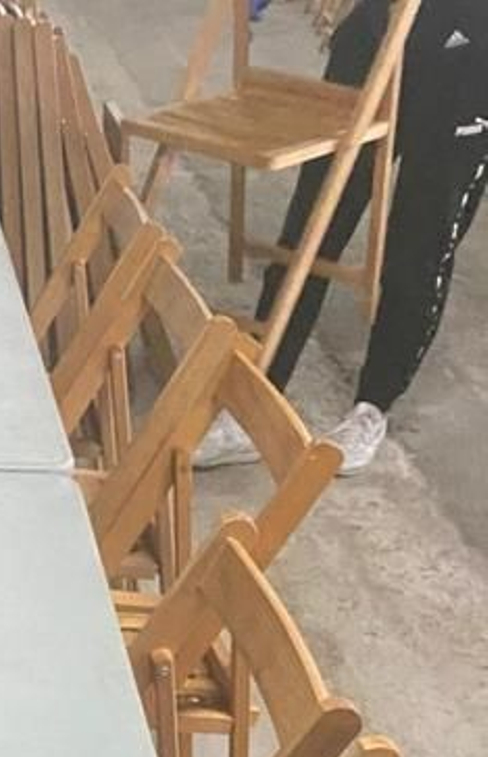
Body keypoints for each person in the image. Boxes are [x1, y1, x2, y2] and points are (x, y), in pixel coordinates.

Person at [198, 0, 488, 473]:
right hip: (376, 33)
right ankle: (259, 396)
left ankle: (372, 406)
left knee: (420, 243)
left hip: (469, 60)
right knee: (315, 219)